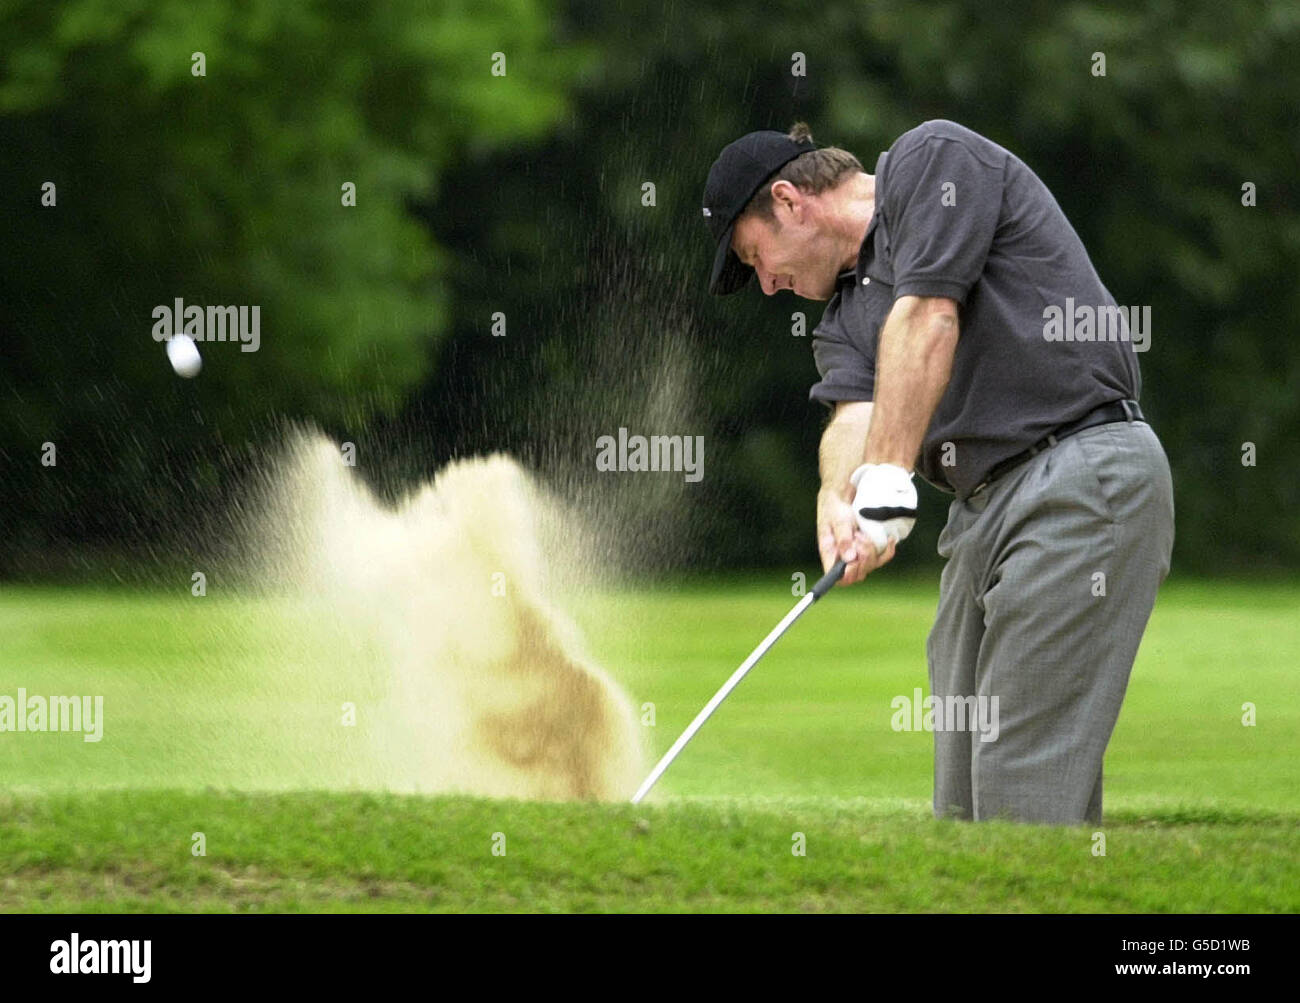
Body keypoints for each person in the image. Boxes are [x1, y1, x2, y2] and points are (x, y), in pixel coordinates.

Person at [701, 119, 1174, 824]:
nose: (767, 286)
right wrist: (839, 494)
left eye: (755, 255)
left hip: (1081, 471)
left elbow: (926, 315)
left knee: (1022, 790)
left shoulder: (932, 163)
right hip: (981, 513)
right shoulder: (843, 317)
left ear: (790, 201)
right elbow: (852, 415)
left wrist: (889, 477)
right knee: (961, 801)